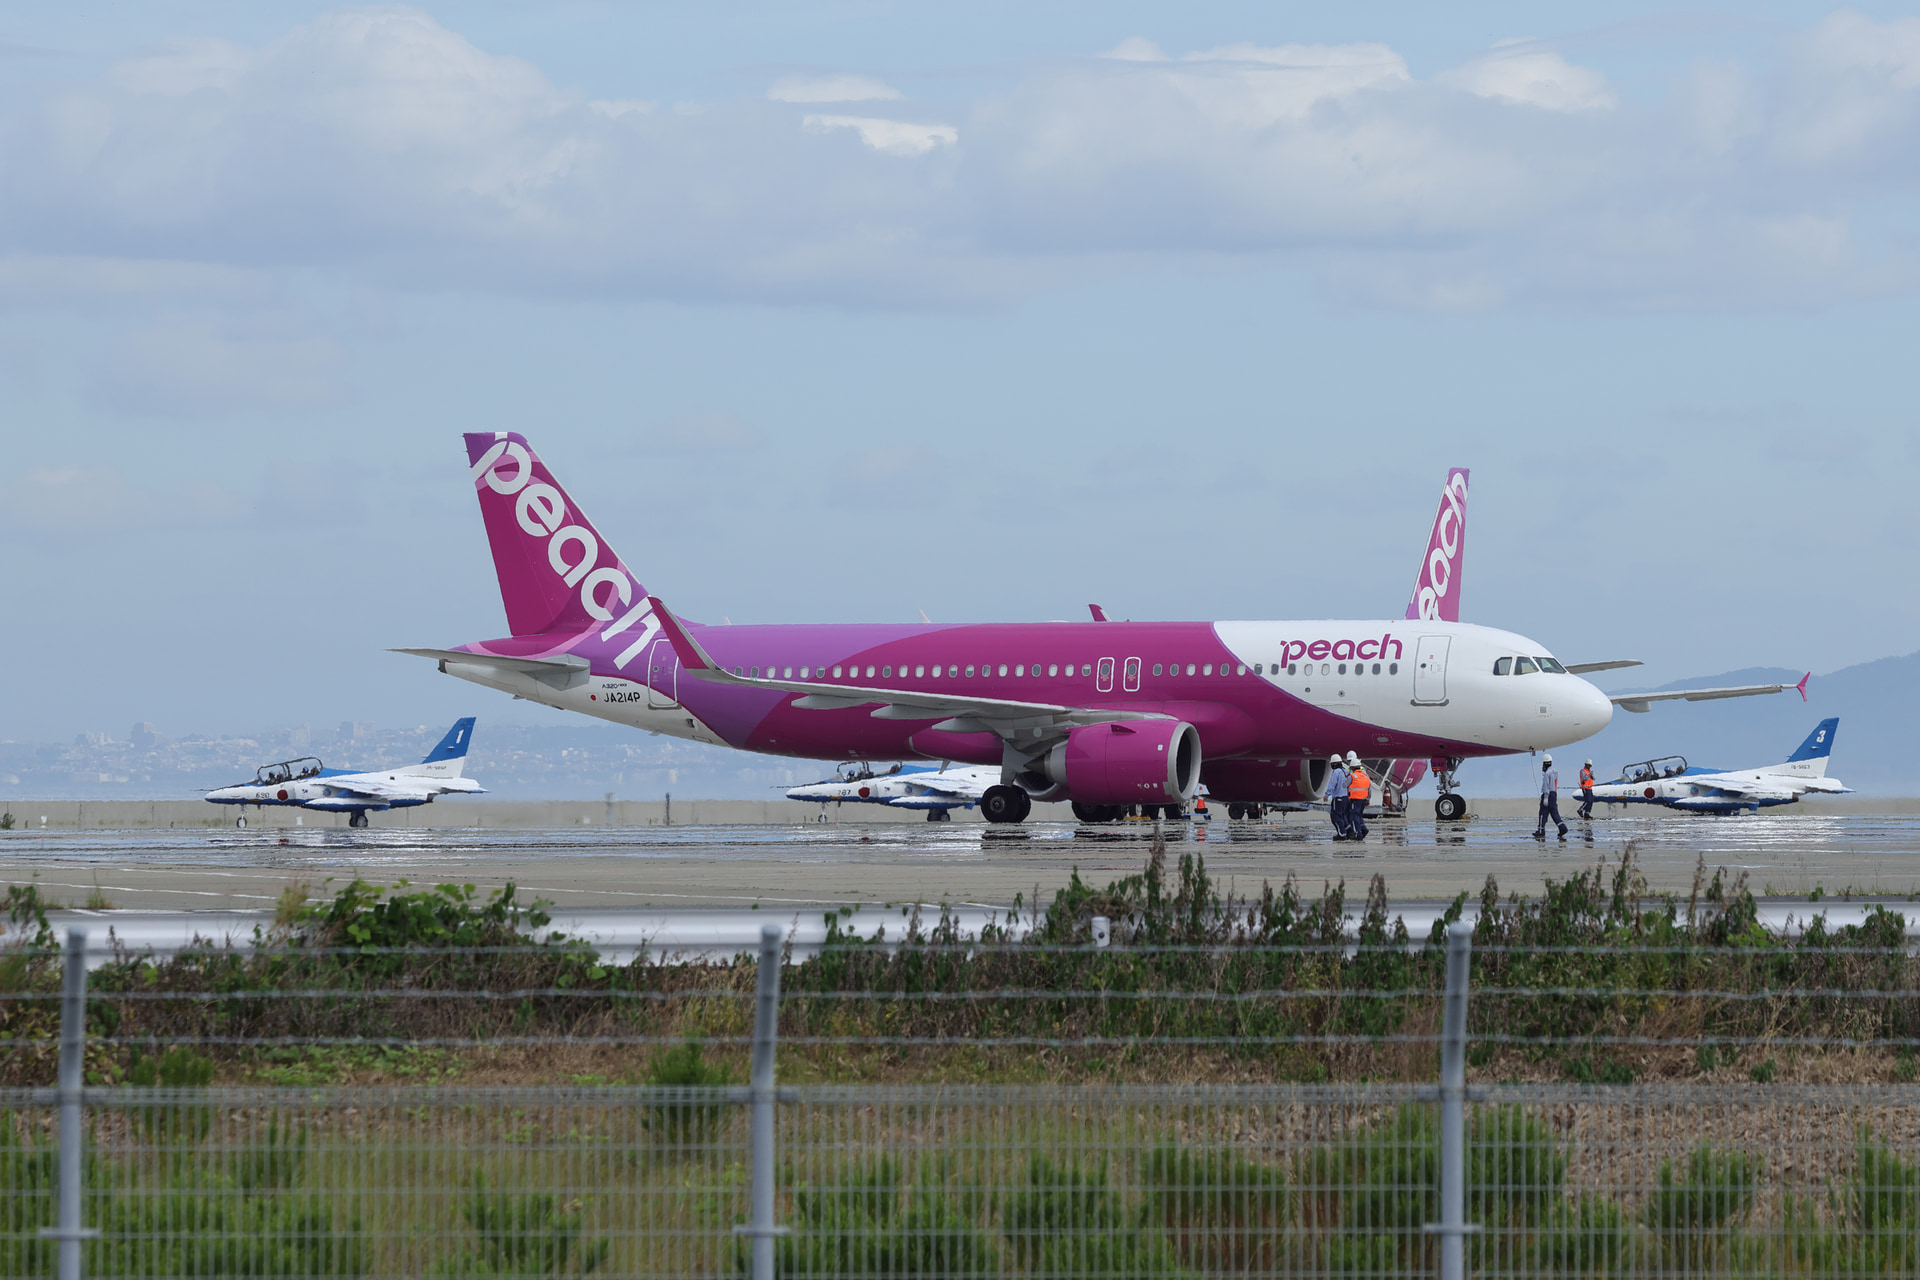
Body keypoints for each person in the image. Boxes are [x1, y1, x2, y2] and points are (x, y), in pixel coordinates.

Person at [1536, 753, 1568, 840]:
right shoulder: (1555, 771)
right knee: (1554, 812)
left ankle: (1540, 831)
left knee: (1543, 812)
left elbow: (1546, 785)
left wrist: (1546, 797)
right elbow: (1554, 783)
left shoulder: (1547, 773)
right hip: (1554, 794)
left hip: (1548, 794)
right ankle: (1562, 827)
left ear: (1545, 763)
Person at [1344, 751, 1371, 841]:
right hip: (1363, 798)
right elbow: (1369, 787)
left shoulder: (1353, 775)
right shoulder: (1365, 774)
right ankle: (1362, 829)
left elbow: (1344, 785)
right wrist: (1368, 798)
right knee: (1359, 816)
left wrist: (1347, 777)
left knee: (1353, 817)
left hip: (1354, 799)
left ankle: (1357, 833)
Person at [1326, 754, 1350, 839]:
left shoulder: (1336, 772)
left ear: (1335, 763)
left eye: (1332, 763)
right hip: (1346, 798)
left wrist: (1326, 794)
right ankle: (1348, 830)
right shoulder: (1346, 771)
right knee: (1343, 815)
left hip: (1338, 798)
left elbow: (1332, 784)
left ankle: (1342, 834)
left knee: (1335, 816)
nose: (1331, 765)